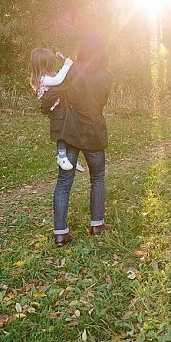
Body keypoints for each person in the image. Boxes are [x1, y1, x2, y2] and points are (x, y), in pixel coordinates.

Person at [43, 33, 115, 247]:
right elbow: (100, 102)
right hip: (94, 130)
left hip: (70, 132)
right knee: (98, 179)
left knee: (64, 182)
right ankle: (97, 225)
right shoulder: (107, 76)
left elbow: (49, 95)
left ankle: (60, 233)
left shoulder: (70, 71)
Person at [30, 48, 85, 172]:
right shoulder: (42, 78)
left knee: (68, 128)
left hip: (59, 107)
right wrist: (66, 66)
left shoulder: (46, 76)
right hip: (54, 109)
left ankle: (70, 158)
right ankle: (61, 157)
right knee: (60, 132)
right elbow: (58, 80)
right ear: (45, 64)